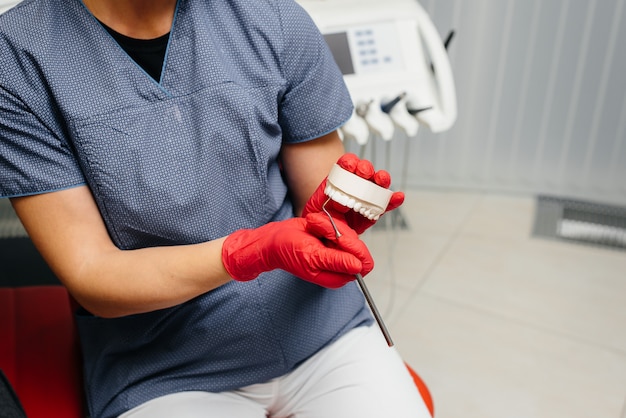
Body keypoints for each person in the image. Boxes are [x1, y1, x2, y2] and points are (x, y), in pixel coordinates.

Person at [0, 0, 432, 417]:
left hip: (323, 334)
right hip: (166, 369)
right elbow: (93, 274)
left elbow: (318, 196)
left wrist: (336, 219)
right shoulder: (20, 56)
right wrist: (251, 251)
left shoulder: (271, 16)